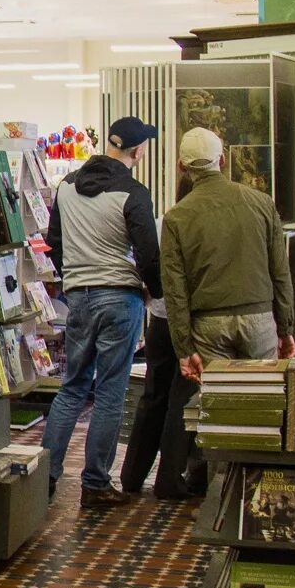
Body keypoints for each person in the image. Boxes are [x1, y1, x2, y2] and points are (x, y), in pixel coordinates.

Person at [41, 115, 163, 509]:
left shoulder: (67, 187)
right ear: (138, 151)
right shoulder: (133, 192)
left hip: (78, 297)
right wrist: (155, 292)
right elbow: (148, 253)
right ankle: (94, 484)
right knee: (110, 392)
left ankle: (45, 475)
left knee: (73, 387)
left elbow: (53, 241)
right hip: (119, 297)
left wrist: (72, 276)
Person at [159, 127, 295, 385]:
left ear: (181, 166)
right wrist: (285, 328)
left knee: (218, 405)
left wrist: (184, 350)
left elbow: (175, 289)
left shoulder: (176, 217)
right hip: (259, 317)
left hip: (208, 324)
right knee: (262, 400)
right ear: (222, 160)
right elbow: (280, 271)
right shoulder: (262, 202)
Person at [121, 196, 198, 501]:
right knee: (182, 398)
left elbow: (146, 261)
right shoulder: (196, 223)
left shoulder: (160, 222)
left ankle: (131, 475)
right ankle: (169, 480)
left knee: (153, 396)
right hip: (187, 320)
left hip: (159, 319)